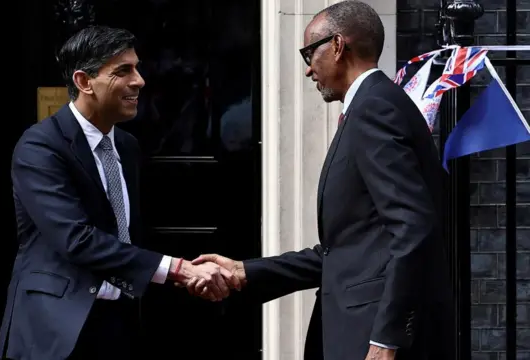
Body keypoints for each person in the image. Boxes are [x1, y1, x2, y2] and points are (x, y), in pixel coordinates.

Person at [188, 1, 454, 359]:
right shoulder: (374, 106)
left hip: (372, 337)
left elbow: (413, 228)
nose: (308, 71)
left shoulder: (375, 110)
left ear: (338, 45)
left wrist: (386, 338)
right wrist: (244, 271)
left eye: (309, 53)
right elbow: (347, 251)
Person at [0, 25, 238, 360]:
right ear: (84, 82)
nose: (139, 80)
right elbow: (76, 238)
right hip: (56, 330)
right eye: (122, 71)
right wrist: (179, 270)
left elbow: (126, 233)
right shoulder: (40, 146)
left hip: (120, 324)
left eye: (136, 68)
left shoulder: (127, 146)